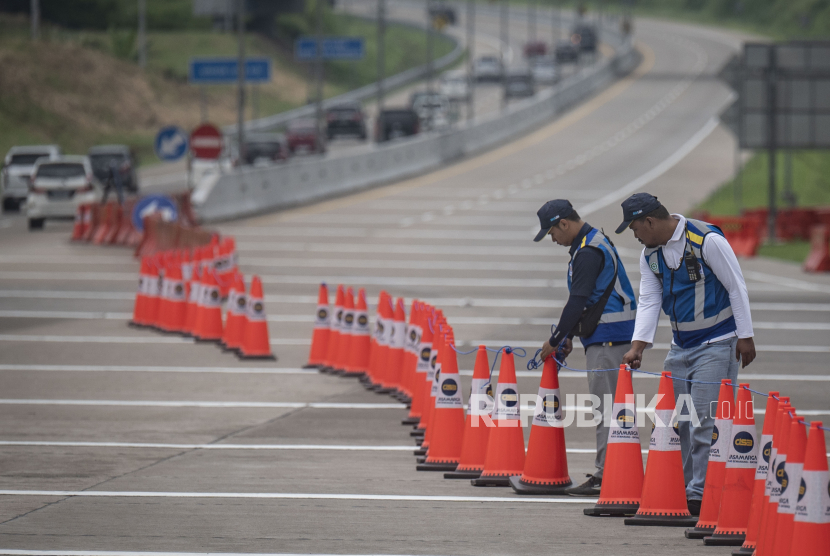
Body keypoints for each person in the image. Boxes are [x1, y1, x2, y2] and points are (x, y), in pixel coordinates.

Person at [616, 193, 756, 516]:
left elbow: (736, 286)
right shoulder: (650, 255)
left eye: (635, 228)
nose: (635, 236)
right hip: (680, 349)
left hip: (718, 344)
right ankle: (681, 487)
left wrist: (745, 337)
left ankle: (701, 496)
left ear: (650, 221)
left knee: (706, 422)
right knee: (676, 422)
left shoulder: (705, 240)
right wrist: (638, 346)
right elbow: (649, 300)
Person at [533, 199, 637, 496]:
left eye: (552, 232)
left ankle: (608, 475)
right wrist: (570, 336)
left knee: (607, 411)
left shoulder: (588, 252)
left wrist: (554, 341)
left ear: (564, 223)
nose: (553, 239)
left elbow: (578, 300)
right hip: (607, 336)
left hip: (608, 339)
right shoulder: (591, 243)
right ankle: (613, 471)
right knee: (611, 410)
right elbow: (590, 300)